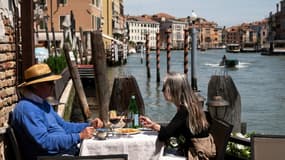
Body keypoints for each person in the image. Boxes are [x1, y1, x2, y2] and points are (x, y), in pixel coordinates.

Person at [11, 63, 103, 160]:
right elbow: (45, 142)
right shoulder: (26, 109)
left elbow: (64, 126)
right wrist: (78, 136)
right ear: (36, 86)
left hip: (63, 153)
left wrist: (89, 125)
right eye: (49, 83)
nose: (53, 85)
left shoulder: (43, 104)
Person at [139, 72, 215, 159]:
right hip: (196, 151)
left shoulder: (184, 110)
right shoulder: (191, 106)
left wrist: (155, 126)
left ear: (174, 89)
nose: (162, 91)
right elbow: (173, 131)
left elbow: (164, 136)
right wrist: (153, 124)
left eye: (164, 88)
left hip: (195, 155)